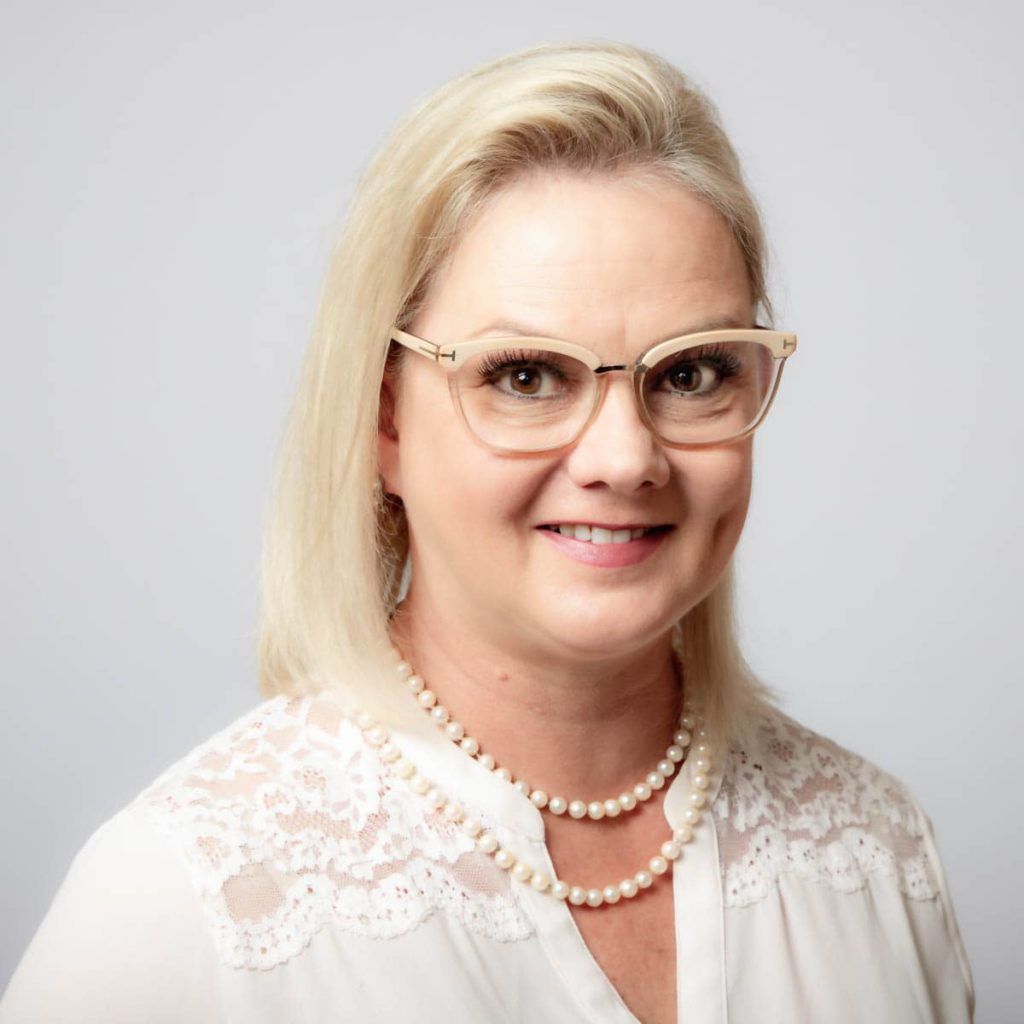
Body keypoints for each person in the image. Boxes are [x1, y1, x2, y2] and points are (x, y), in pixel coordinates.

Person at [0, 40, 975, 1024]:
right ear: (383, 421)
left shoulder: (875, 854)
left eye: (689, 372)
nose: (625, 457)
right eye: (525, 375)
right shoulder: (184, 908)